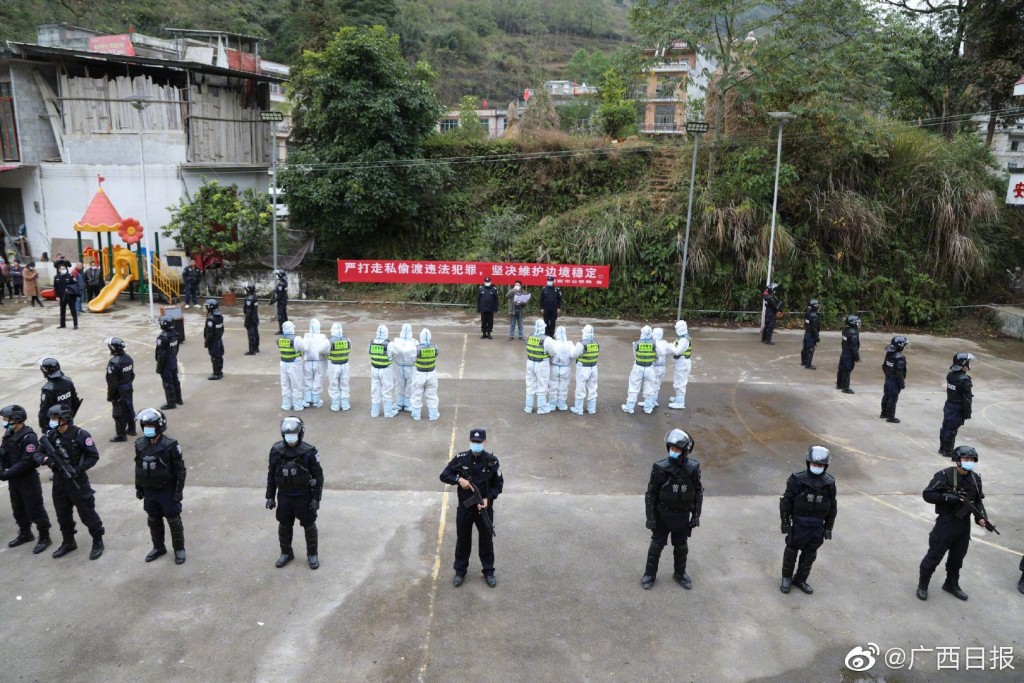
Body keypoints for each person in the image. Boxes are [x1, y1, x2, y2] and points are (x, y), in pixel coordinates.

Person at [917, 446, 991, 601]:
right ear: (957, 460)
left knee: (957, 558)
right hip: (946, 523)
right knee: (934, 556)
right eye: (966, 459)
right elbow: (928, 494)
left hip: (963, 526)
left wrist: (980, 518)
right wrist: (946, 498)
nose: (969, 462)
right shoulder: (945, 475)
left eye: (972, 460)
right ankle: (923, 584)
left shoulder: (975, 479)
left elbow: (977, 501)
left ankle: (951, 584)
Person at [40, 405, 105, 560]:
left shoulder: (81, 435)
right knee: (62, 514)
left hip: (77, 481)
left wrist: (79, 468)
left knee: (87, 513)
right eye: (52, 418)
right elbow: (37, 452)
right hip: (59, 482)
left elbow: (93, 456)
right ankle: (68, 542)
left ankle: (98, 541)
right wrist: (48, 461)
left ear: (65, 419)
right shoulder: (50, 436)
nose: (52, 421)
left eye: (55, 418)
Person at [440, 428, 503, 588]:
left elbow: (499, 484)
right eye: (474, 442)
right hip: (465, 509)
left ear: (485, 442)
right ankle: (460, 571)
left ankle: (488, 571)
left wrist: (489, 499)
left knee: (486, 541)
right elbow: (444, 475)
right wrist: (458, 479)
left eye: (479, 442)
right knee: (463, 540)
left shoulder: (492, 461)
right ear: (470, 441)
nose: (476, 444)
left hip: (484, 509)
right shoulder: (460, 459)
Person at [641, 429, 703, 590]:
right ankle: (649, 574)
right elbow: (651, 494)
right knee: (656, 546)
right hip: (663, 515)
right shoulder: (660, 468)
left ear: (685, 450)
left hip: (682, 516)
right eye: (671, 448)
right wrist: (650, 518)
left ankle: (680, 573)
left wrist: (696, 516)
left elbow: (698, 492)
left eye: (677, 449)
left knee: (681, 547)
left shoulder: (693, 468)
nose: (673, 452)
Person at [265, 416, 322, 570]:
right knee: (284, 524)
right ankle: (286, 552)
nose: (290, 438)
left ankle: (312, 554)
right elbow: (272, 475)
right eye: (287, 435)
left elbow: (318, 476)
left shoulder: (309, 452)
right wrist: (270, 496)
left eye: (293, 434)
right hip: (284, 495)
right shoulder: (276, 451)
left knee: (309, 525)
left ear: (300, 433)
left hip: (303, 496)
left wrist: (316, 498)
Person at [779, 446, 837, 595]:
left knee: (810, 553)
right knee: (791, 550)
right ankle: (786, 577)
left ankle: (800, 579)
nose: (817, 467)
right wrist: (785, 522)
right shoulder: (797, 479)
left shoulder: (829, 483)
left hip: (817, 525)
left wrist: (828, 527)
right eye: (815, 464)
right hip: (799, 523)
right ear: (808, 462)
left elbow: (832, 507)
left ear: (826, 465)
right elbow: (786, 502)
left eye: (821, 465)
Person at [134, 408, 187, 565]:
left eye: (151, 425)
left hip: (167, 490)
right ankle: (158, 547)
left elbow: (180, 470)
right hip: (150, 490)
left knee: (174, 520)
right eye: (145, 425)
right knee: (153, 519)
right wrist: (138, 487)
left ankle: (179, 549)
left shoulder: (170, 445)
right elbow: (138, 467)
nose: (148, 428)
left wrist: (178, 491)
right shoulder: (140, 444)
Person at [0, 404, 52, 554]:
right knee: (18, 508)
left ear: (16, 419)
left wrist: (5, 475)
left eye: (6, 419)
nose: (4, 421)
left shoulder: (29, 437)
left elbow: (27, 462)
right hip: (14, 480)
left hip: (27, 479)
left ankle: (44, 537)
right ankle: (25, 533)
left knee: (34, 508)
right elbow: (3, 451)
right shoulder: (9, 433)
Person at [939, 352, 974, 457]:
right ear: (963, 364)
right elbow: (967, 399)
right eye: (967, 363)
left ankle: (942, 448)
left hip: (949, 404)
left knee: (945, 426)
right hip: (957, 407)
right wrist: (967, 413)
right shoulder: (964, 380)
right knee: (951, 429)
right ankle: (948, 450)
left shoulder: (950, 375)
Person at [105, 337, 136, 442]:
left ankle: (121, 435)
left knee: (118, 413)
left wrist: (111, 396)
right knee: (129, 408)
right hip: (128, 386)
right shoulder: (128, 358)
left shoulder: (114, 362)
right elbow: (132, 375)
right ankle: (132, 429)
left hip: (119, 389)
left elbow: (112, 382)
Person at [37, 358, 81, 431]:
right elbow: (75, 400)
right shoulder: (69, 382)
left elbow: (44, 411)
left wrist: (43, 426)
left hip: (54, 422)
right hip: (67, 417)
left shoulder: (48, 389)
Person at [622, 325, 658, 414]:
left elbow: (635, 355)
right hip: (649, 368)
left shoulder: (637, 343)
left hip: (638, 367)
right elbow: (657, 356)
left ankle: (629, 407)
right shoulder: (655, 343)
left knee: (633, 388)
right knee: (649, 388)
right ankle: (648, 408)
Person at [369, 324, 398, 418]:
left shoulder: (371, 343)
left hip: (374, 368)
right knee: (387, 390)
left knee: (375, 390)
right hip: (386, 369)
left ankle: (374, 412)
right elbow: (397, 353)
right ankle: (388, 412)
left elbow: (368, 352)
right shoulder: (389, 344)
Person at [411, 328, 440, 421]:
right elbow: (436, 355)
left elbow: (412, 359)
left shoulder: (417, 348)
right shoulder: (435, 347)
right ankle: (433, 415)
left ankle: (416, 415)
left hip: (419, 374)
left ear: (420, 337)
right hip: (431, 373)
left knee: (416, 395)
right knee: (432, 395)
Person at [569, 324, 599, 415]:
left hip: (583, 369)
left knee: (580, 388)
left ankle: (578, 409)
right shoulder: (596, 342)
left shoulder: (581, 344)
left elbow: (573, 355)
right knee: (593, 388)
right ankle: (592, 409)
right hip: (593, 368)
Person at [155, 316, 184, 410]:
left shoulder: (162, 337)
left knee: (168, 383)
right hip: (173, 359)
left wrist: (159, 368)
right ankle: (178, 399)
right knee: (175, 379)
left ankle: (171, 403)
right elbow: (176, 348)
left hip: (166, 362)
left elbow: (161, 354)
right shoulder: (175, 334)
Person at [524, 319, 552, 415]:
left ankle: (528, 407)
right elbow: (553, 352)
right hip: (542, 364)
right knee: (542, 386)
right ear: (543, 327)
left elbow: (527, 347)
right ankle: (541, 408)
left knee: (530, 385)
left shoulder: (529, 336)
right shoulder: (547, 339)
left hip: (530, 362)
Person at [543, 325, 574, 411]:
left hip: (554, 367)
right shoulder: (569, 344)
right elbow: (574, 355)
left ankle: (552, 404)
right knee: (564, 386)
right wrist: (569, 362)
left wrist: (550, 361)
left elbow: (549, 353)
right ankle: (561, 404)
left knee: (553, 385)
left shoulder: (553, 342)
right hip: (566, 367)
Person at [278, 321, 307, 411]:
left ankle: (286, 404)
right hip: (294, 363)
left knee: (285, 385)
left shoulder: (280, 339)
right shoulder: (296, 339)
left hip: (283, 363)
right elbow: (304, 348)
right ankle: (298, 405)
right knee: (296, 384)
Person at [301, 319, 329, 408]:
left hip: (307, 362)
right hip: (319, 362)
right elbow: (326, 349)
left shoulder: (306, 337)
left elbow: (302, 348)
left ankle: (307, 399)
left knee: (307, 380)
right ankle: (316, 400)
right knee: (318, 380)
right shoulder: (322, 337)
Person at [390, 324, 418, 412]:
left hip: (399, 366)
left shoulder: (395, 342)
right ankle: (407, 404)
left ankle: (400, 403)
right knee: (409, 384)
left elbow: (391, 354)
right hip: (410, 368)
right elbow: (416, 356)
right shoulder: (415, 343)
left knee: (399, 384)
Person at [881, 335, 909, 424]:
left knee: (886, 395)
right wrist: (901, 384)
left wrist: (888, 375)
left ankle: (883, 413)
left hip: (888, 378)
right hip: (894, 381)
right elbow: (899, 373)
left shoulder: (889, 354)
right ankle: (890, 417)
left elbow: (884, 366)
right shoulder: (900, 359)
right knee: (893, 398)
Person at [326, 322, 352, 412]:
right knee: (344, 384)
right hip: (345, 365)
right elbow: (350, 349)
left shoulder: (329, 341)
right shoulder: (347, 339)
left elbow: (323, 350)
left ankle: (335, 405)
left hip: (333, 365)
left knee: (334, 385)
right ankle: (345, 405)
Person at [668, 320, 692, 410]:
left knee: (680, 382)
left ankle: (680, 402)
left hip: (682, 363)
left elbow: (677, 351)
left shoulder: (684, 340)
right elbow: (674, 346)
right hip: (680, 362)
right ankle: (678, 398)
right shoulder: (681, 338)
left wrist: (670, 346)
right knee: (678, 381)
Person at [835, 314, 860, 394]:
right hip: (849, 354)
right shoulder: (853, 334)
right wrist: (857, 358)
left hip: (844, 352)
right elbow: (854, 348)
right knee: (847, 370)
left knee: (841, 368)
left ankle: (839, 384)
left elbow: (843, 343)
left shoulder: (845, 330)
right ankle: (845, 387)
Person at [53, 261, 79, 329]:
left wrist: (70, 289)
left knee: (73, 310)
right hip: (61, 297)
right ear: (58, 270)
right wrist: (57, 296)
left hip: (70, 296)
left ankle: (75, 325)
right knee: (62, 311)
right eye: (61, 269)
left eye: (64, 268)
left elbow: (75, 285)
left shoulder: (70, 276)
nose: (63, 270)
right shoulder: (56, 277)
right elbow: (55, 287)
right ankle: (62, 324)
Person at [203, 298, 225, 380]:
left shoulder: (211, 319)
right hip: (219, 339)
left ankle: (216, 374)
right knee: (219, 356)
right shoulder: (219, 316)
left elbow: (209, 333)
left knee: (215, 357)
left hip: (214, 341)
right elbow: (222, 329)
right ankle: (219, 372)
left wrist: (206, 342)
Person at [651, 328, 672, 408]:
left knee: (651, 385)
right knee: (657, 385)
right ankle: (654, 400)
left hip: (654, 367)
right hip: (662, 367)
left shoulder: (653, 343)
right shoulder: (665, 343)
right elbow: (670, 352)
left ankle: (650, 402)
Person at [800, 299, 820, 369]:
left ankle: (803, 361)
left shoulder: (807, 313)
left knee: (805, 347)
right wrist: (817, 337)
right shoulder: (814, 316)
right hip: (811, 335)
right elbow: (814, 328)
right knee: (810, 349)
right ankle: (808, 364)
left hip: (807, 333)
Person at [269, 270, 288, 334]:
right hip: (284, 301)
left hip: (281, 302)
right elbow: (282, 292)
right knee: (284, 316)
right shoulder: (285, 282)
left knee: (280, 317)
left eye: (277, 275)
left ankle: (282, 330)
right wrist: (276, 290)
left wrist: (272, 301)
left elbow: (279, 296)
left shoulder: (281, 284)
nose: (276, 276)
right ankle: (287, 328)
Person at [243, 283, 260, 355]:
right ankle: (256, 348)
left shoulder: (248, 299)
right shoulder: (255, 297)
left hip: (250, 319)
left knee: (251, 335)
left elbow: (248, 312)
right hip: (255, 317)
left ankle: (251, 350)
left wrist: (246, 322)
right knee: (255, 333)